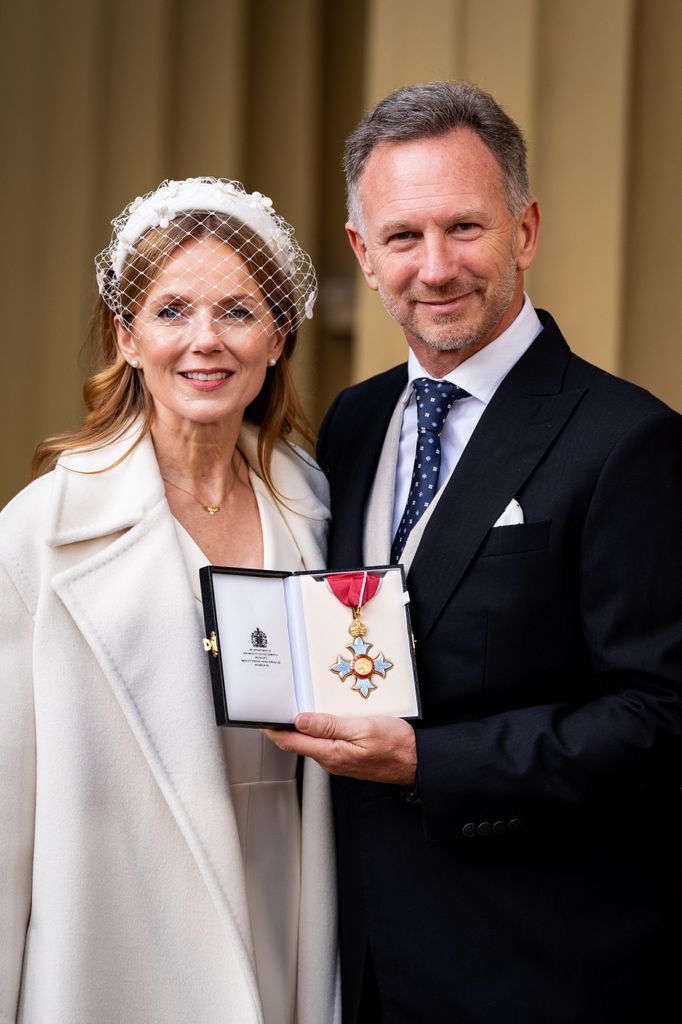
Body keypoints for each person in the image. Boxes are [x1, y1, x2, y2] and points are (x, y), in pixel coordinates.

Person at [265, 82, 682, 1022]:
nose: (437, 266)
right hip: (359, 960)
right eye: (404, 237)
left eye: (466, 228)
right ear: (362, 254)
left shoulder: (627, 440)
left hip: (540, 972)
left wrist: (428, 761)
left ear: (525, 231)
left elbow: (658, 716)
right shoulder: (355, 421)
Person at [0, 177, 340, 1024]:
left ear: (278, 335)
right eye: (171, 310)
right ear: (126, 335)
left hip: (285, 910)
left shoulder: (315, 507)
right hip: (115, 947)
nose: (205, 342)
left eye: (237, 311)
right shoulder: (42, 531)